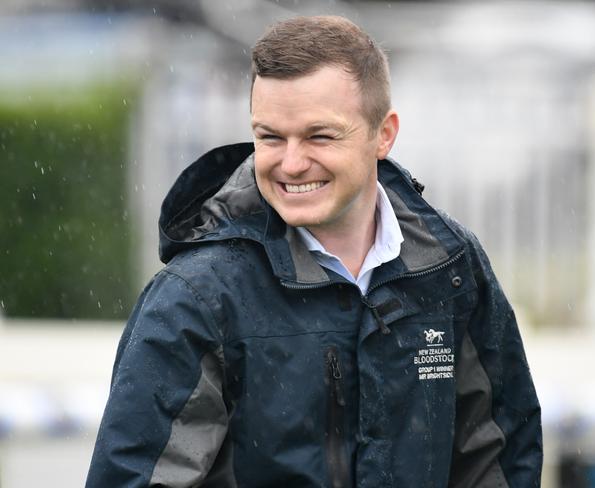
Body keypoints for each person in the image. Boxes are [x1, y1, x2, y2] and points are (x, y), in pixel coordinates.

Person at [86, 15, 542, 488]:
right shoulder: (195, 297)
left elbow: (500, 456)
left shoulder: (450, 267)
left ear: (383, 134)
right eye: (270, 137)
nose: (292, 162)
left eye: (319, 136)